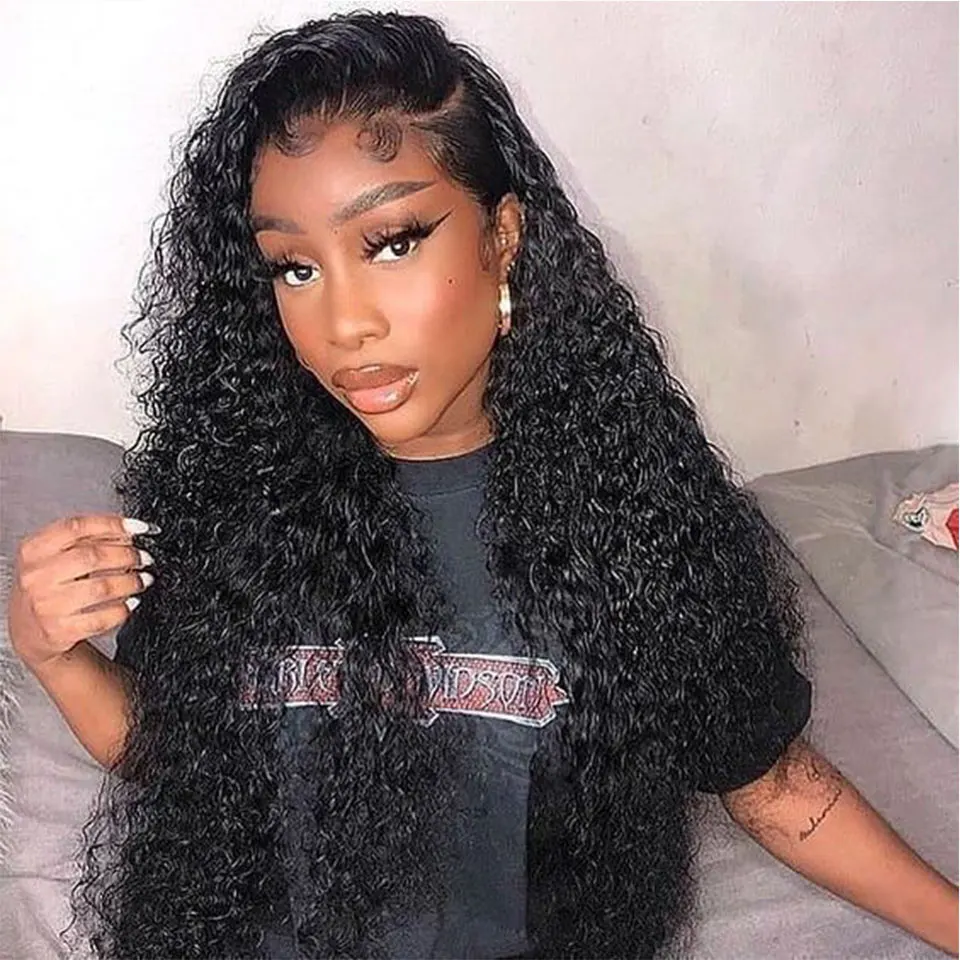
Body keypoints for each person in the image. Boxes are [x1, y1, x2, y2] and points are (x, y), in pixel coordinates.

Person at [6, 10, 957, 959]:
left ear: (502, 237)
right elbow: (181, 760)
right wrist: (52, 654)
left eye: (391, 243)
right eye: (294, 267)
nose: (344, 323)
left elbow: (773, 785)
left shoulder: (637, 520)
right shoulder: (230, 498)